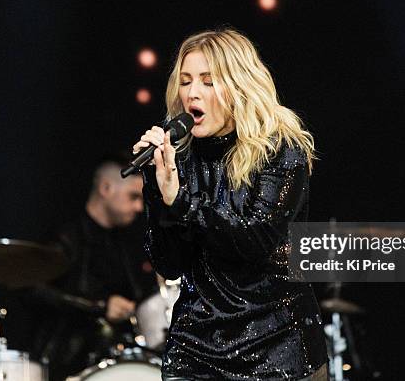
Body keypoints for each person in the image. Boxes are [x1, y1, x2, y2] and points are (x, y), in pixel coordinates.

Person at [134, 29, 328, 380]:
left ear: (239, 86)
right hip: (194, 347)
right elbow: (170, 263)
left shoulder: (280, 150)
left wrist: (180, 200)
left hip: (276, 345)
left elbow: (254, 240)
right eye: (186, 81)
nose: (193, 92)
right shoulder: (180, 157)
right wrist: (157, 187)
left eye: (209, 82)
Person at [29, 154, 157, 381]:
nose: (139, 207)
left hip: (115, 357)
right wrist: (100, 307)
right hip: (65, 361)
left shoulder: (127, 245)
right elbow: (33, 290)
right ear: (106, 188)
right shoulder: (66, 236)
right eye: (133, 197)